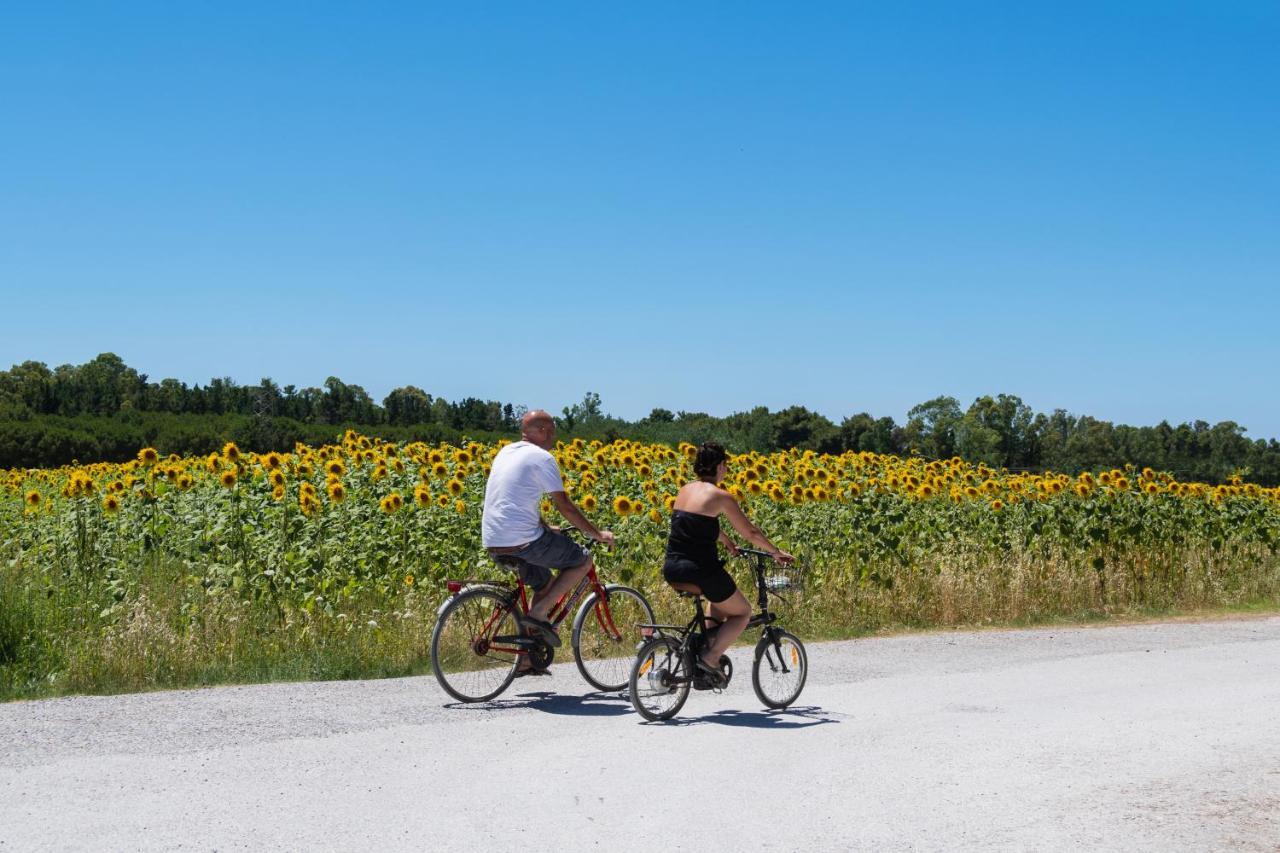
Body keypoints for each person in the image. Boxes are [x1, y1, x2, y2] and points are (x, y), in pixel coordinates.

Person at [481, 410, 615, 673]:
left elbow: (514, 500)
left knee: (543, 583)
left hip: (494, 540)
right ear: (541, 431)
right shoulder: (543, 458)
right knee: (583, 559)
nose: (554, 435)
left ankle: (526, 658)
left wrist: (544, 526)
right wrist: (596, 534)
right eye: (552, 429)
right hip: (523, 541)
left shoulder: (506, 452)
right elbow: (564, 505)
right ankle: (540, 612)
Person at [663, 442, 793, 686]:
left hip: (672, 567)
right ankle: (710, 658)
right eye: (726, 466)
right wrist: (775, 552)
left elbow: (696, 523)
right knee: (742, 612)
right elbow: (751, 533)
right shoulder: (721, 496)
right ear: (721, 466)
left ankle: (701, 656)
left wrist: (726, 541)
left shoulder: (684, 490)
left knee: (720, 603)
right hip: (700, 570)